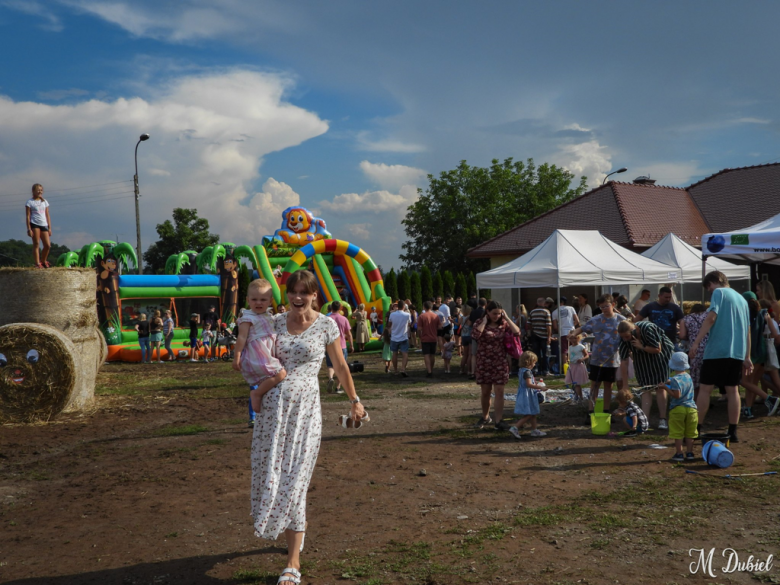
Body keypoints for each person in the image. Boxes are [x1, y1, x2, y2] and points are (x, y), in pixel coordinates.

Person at [250, 270, 365, 584]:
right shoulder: (274, 322)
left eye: (305, 292)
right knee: (273, 473)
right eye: (293, 292)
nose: (298, 298)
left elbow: (339, 366)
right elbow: (254, 355)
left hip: (305, 413)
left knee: (296, 480)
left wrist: (354, 399)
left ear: (315, 295)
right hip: (273, 412)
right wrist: (256, 387)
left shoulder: (327, 325)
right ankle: (285, 531)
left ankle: (293, 562)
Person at [688, 271, 751, 443]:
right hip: (736, 352)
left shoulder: (719, 292)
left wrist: (695, 343)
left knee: (705, 389)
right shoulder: (742, 299)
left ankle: (697, 428)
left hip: (717, 350)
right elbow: (747, 330)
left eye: (709, 287)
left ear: (715, 281)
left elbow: (711, 318)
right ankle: (733, 431)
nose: (709, 291)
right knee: (733, 390)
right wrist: (747, 355)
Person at [232, 279, 288, 427]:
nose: (258, 303)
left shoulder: (268, 316)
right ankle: (256, 394)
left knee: (275, 381)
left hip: (266, 353)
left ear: (270, 301)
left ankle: (264, 404)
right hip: (257, 354)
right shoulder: (248, 317)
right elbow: (241, 337)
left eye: (263, 299)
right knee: (280, 374)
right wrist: (236, 356)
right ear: (248, 300)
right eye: (254, 299)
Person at [568, 294, 625, 420]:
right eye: (601, 307)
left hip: (613, 360)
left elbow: (630, 331)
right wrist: (573, 334)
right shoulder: (596, 319)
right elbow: (582, 329)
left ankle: (606, 411)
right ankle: (590, 411)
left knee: (608, 386)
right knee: (594, 385)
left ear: (613, 305)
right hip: (597, 359)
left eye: (606, 306)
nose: (604, 309)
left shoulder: (621, 320)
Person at [472, 301, 521, 430]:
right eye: (494, 313)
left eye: (499, 314)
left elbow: (517, 332)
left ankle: (499, 421)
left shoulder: (504, 324)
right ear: (487, 312)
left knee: (499, 392)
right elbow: (475, 335)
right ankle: (485, 416)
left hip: (500, 362)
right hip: (484, 362)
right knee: (486, 392)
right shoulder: (479, 322)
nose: (496, 316)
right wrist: (484, 321)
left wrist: (507, 318)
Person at [617, 320, 675, 429]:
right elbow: (624, 361)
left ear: (634, 330)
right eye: (622, 337)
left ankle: (662, 419)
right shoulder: (623, 338)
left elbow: (657, 349)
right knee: (645, 388)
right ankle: (645, 420)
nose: (625, 339)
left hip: (660, 357)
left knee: (659, 386)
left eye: (626, 336)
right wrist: (625, 385)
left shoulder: (647, 328)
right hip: (642, 359)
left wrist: (641, 346)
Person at [739, 292, 780, 419]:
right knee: (753, 382)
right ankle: (748, 409)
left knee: (743, 381)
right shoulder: (764, 313)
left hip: (750, 352)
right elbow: (775, 333)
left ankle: (770, 399)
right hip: (763, 350)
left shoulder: (743, 315)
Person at [660, 352, 698, 462]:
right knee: (690, 433)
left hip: (678, 409)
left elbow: (677, 395)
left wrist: (665, 388)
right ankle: (690, 453)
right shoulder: (688, 376)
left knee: (678, 433)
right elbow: (680, 383)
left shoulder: (675, 380)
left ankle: (679, 453)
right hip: (692, 409)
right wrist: (669, 382)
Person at [508, 352, 546, 439]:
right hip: (528, 395)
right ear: (529, 362)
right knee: (529, 414)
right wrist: (540, 387)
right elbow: (529, 384)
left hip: (525, 394)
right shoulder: (527, 372)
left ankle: (534, 430)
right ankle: (515, 428)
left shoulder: (521, 370)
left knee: (533, 413)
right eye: (534, 362)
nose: (534, 364)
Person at [679, 304, 708, 396]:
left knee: (695, 375)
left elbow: (682, 335)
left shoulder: (686, 319)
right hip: (709, 349)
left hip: (694, 350)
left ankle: (696, 399)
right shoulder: (708, 316)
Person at [325, 301, 354, 393]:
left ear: (331, 308)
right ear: (340, 308)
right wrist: (352, 345)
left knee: (330, 365)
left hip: (330, 345)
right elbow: (349, 334)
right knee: (341, 367)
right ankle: (338, 387)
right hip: (341, 345)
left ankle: (330, 378)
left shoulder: (327, 319)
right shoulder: (344, 319)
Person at [25, 183, 52, 268]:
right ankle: (37, 263)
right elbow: (28, 216)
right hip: (34, 224)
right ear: (33, 191)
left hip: (44, 224)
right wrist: (29, 228)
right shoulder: (29, 202)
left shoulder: (44, 202)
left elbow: (47, 215)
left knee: (47, 245)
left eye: (41, 190)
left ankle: (43, 261)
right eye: (38, 190)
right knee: (36, 243)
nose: (40, 191)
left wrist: (49, 228)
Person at [552, 296, 579, 364]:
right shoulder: (571, 308)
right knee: (574, 348)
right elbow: (577, 321)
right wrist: (572, 326)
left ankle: (565, 367)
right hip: (572, 332)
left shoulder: (554, 312)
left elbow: (555, 327)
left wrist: (560, 330)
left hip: (563, 333)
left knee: (564, 351)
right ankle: (575, 364)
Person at [528, 297, 552, 376]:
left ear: (537, 303)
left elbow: (529, 324)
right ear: (544, 303)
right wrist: (549, 336)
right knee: (546, 354)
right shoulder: (546, 312)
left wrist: (532, 331)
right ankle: (546, 370)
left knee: (535, 353)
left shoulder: (532, 312)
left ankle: (535, 369)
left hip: (534, 335)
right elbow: (548, 325)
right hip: (544, 336)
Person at [388, 301, 411, 377]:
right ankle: (403, 369)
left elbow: (389, 324)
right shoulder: (407, 315)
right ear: (404, 306)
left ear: (397, 306)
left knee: (394, 354)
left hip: (394, 336)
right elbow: (409, 324)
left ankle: (395, 370)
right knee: (405, 353)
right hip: (403, 336)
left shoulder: (392, 314)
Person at [417, 301, 439, 377]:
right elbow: (439, 327)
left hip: (425, 337)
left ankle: (429, 371)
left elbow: (419, 328)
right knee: (432, 355)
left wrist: (420, 336)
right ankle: (431, 369)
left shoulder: (422, 316)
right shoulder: (436, 316)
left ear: (424, 307)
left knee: (426, 355)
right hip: (434, 337)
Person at [565, 334, 589, 402]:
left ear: (578, 338)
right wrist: (567, 359)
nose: (573, 340)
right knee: (574, 383)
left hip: (578, 366)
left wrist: (582, 359)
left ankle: (579, 397)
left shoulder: (581, 346)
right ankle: (578, 396)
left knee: (577, 383)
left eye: (575, 338)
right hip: (572, 366)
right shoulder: (570, 347)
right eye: (572, 338)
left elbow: (587, 355)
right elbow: (569, 355)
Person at [459, 305, 473, 375]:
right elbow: (470, 324)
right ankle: (469, 370)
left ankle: (461, 369)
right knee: (470, 354)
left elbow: (459, 323)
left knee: (465, 354)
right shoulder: (469, 317)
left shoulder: (461, 318)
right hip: (469, 335)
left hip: (463, 336)